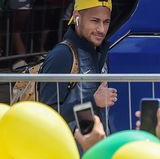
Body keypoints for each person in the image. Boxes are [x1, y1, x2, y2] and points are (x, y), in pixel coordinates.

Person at [39, 0, 117, 132]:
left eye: (106, 22)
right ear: (77, 17)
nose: (101, 29)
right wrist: (93, 101)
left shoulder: (99, 51)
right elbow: (46, 115)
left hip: (92, 149)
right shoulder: (62, 55)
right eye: (95, 21)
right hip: (69, 151)